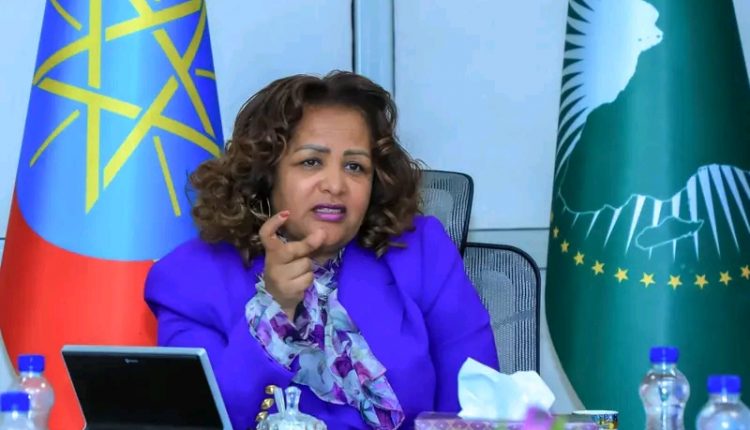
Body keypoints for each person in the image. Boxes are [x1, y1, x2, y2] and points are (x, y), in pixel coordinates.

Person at [145, 71, 498, 430]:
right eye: (311, 161)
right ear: (266, 174)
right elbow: (202, 420)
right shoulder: (189, 280)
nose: (335, 185)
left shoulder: (418, 252)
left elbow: (477, 407)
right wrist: (274, 310)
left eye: (355, 167)